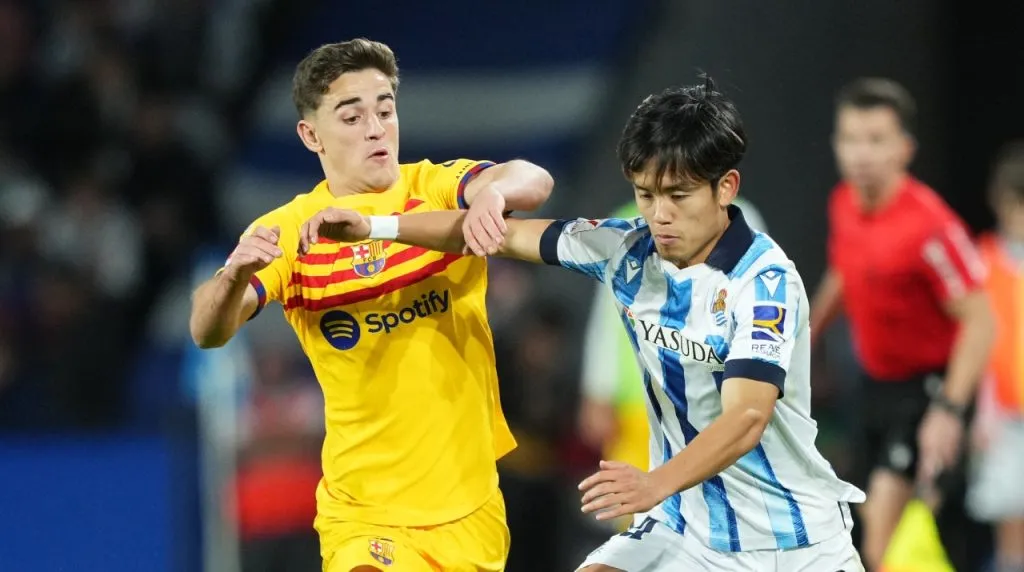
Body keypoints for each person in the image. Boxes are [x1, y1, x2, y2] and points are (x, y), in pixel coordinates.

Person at [308, 76, 867, 571]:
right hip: (687, 531)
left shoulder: (765, 281)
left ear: (726, 188)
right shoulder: (624, 250)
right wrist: (376, 226)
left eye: (677, 195)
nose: (659, 215)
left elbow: (747, 416)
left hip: (793, 544)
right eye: (645, 195)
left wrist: (654, 483)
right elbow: (495, 234)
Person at [188, 38, 555, 572]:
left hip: (471, 508)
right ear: (310, 134)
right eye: (352, 116)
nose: (376, 127)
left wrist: (493, 195)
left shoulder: (433, 188)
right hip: (364, 514)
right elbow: (207, 329)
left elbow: (533, 178)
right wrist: (234, 276)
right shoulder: (289, 231)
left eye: (385, 110)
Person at [809, 77, 995, 571]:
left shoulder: (930, 226)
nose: (861, 153)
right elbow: (844, 272)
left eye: (876, 140)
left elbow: (981, 321)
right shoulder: (843, 203)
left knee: (882, 538)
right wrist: (804, 334)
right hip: (875, 386)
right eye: (850, 139)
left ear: (904, 149)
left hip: (929, 389)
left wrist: (950, 410)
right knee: (879, 526)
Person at [577, 199, 768, 534]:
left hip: (714, 405)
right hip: (638, 402)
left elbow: (758, 307)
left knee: (715, 520)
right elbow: (607, 312)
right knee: (636, 525)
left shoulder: (740, 220)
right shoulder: (625, 221)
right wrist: (598, 388)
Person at [968, 141, 1024, 572]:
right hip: (1004, 411)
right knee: (1010, 508)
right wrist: (982, 414)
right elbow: (978, 342)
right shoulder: (982, 261)